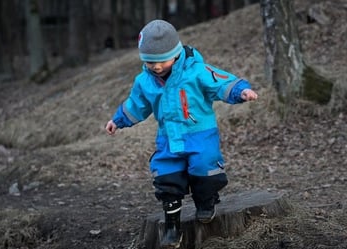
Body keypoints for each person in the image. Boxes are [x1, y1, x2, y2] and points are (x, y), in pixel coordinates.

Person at [105, 19, 258, 249]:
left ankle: (206, 202)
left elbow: (220, 81)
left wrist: (240, 90)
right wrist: (118, 120)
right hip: (168, 138)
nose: (156, 67)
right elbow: (136, 104)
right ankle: (172, 227)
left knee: (205, 169)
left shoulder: (196, 71)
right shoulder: (144, 81)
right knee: (166, 177)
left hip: (200, 134)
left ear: (175, 54)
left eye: (161, 61)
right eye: (149, 62)